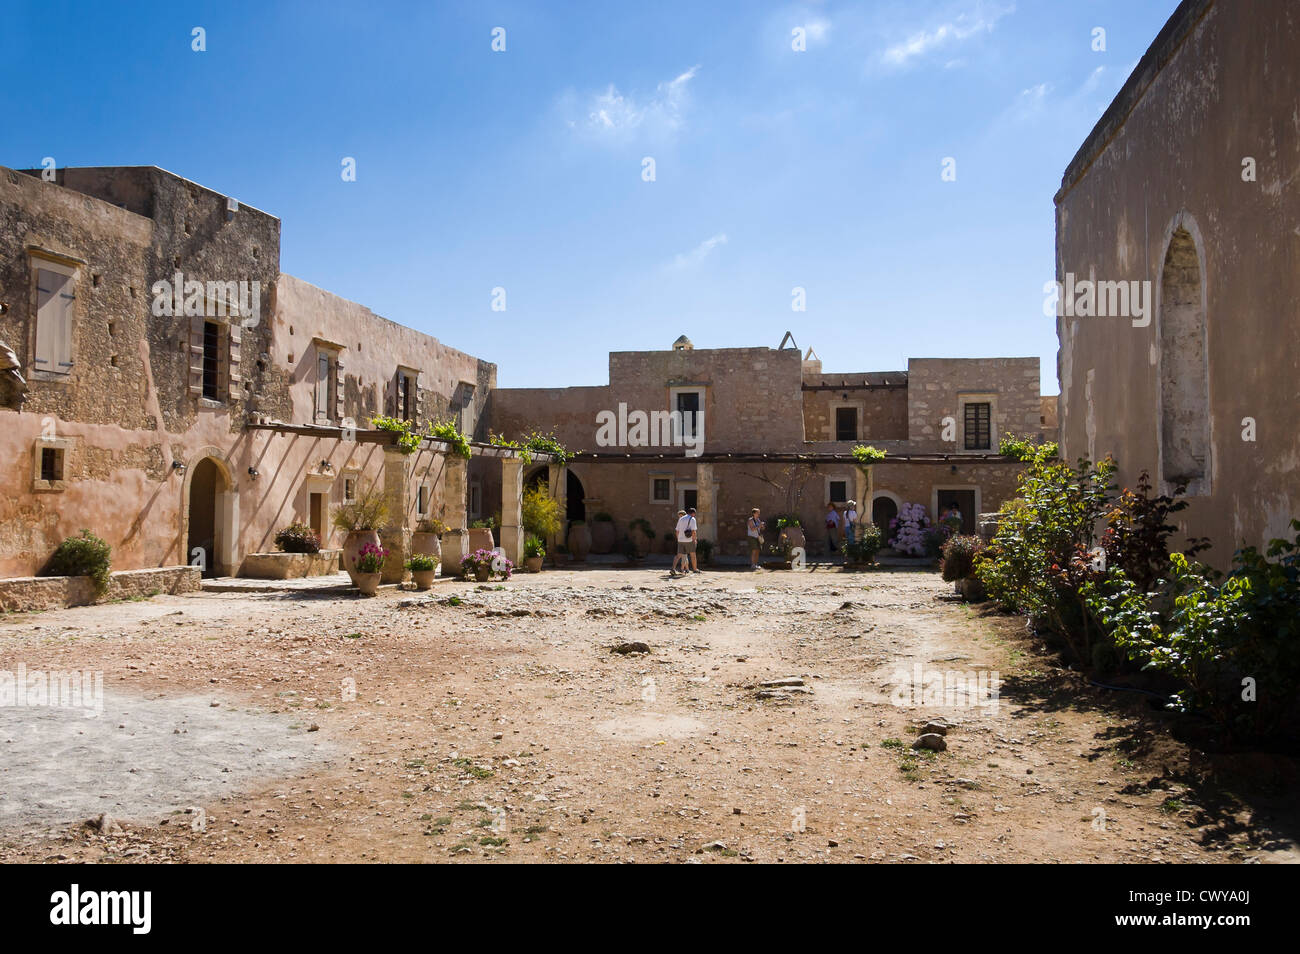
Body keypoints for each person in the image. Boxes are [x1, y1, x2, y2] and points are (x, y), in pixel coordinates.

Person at [673, 508, 698, 575]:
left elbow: (677, 531)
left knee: (678, 555)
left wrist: (678, 539)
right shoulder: (692, 519)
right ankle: (695, 569)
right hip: (689, 540)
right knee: (693, 555)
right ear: (693, 513)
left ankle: (673, 568)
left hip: (681, 540)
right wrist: (694, 539)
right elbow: (693, 531)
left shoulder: (681, 519)